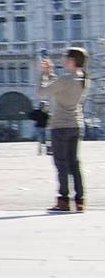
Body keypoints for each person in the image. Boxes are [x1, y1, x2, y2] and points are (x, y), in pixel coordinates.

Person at [41, 47, 88, 213]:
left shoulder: (65, 80)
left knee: (61, 164)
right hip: (76, 125)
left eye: (64, 57)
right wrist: (51, 73)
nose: (62, 60)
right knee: (74, 164)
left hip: (60, 126)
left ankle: (63, 201)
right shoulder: (82, 78)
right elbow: (61, 88)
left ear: (71, 60)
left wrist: (44, 74)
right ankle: (80, 201)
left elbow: (42, 91)